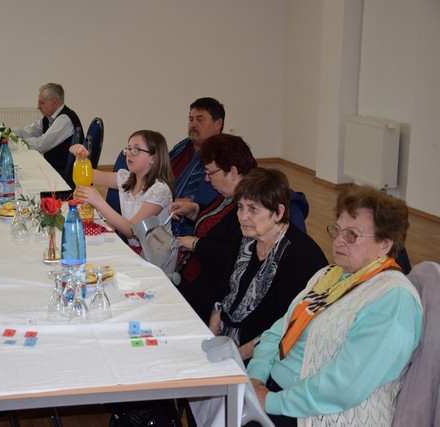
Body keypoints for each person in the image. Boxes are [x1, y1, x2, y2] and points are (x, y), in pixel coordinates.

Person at [245, 185, 422, 426]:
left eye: (351, 235)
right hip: (275, 393)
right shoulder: (330, 274)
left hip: (319, 415)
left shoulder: (393, 300)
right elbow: (279, 330)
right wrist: (255, 378)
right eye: (337, 230)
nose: (338, 240)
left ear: (384, 244)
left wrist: (270, 402)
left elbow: (344, 387)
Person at [207, 168, 328, 360]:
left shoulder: (302, 258)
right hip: (225, 340)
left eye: (253, 209)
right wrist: (211, 334)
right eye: (240, 207)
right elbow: (224, 290)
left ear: (278, 212)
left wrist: (234, 357)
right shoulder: (244, 237)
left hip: (265, 355)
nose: (243, 216)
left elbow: (285, 329)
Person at [168, 134, 257, 324]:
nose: (207, 179)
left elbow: (235, 255)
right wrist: (194, 210)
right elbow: (217, 223)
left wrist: (194, 244)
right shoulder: (229, 196)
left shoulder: (249, 208)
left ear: (232, 172)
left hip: (212, 293)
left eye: (210, 173)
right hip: (197, 280)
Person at [69, 130, 174, 250]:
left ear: (153, 158)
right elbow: (87, 175)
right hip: (133, 249)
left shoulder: (159, 190)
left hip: (153, 255)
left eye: (136, 150)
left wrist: (98, 202)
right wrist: (82, 159)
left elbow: (131, 230)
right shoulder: (127, 179)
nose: (129, 154)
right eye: (128, 149)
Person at [168, 97, 225, 236]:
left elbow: (208, 201)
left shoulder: (221, 155)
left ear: (218, 123)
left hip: (187, 228)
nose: (193, 124)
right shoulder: (183, 146)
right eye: (190, 119)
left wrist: (160, 202)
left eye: (200, 120)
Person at [10, 83, 82, 185]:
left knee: (24, 176)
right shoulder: (48, 119)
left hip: (65, 174)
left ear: (54, 102)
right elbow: (26, 132)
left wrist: (15, 144)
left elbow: (42, 144)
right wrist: (4, 132)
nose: (38, 107)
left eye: (41, 103)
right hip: (55, 168)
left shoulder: (65, 119)